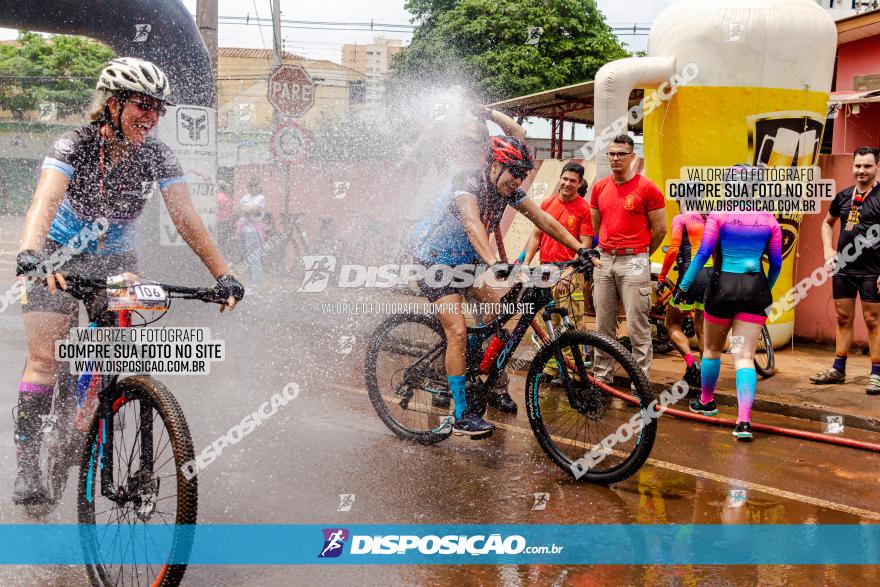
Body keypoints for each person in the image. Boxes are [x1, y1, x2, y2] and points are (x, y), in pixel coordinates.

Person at [13, 57, 244, 505]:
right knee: (44, 358)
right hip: (56, 258)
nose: (152, 117)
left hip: (114, 262)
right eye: (143, 105)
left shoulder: (157, 154)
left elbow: (185, 216)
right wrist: (32, 254)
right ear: (113, 104)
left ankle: (91, 410)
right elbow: (44, 200)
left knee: (114, 352)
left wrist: (224, 274)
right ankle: (27, 464)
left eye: (159, 108)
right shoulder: (74, 144)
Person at [409, 136, 598, 437]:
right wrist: (494, 264)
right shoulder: (467, 183)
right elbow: (472, 225)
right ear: (495, 165)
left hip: (467, 261)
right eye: (514, 173)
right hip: (434, 261)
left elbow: (545, 221)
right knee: (457, 330)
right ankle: (460, 415)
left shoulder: (507, 190)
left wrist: (580, 249)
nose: (518, 180)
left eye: (523, 175)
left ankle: (466, 371)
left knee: (497, 320)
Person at [676, 210, 782, 441]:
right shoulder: (769, 220)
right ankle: (743, 422)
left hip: (722, 288)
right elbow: (776, 264)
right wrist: (766, 288)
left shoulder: (719, 216)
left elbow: (703, 253)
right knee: (744, 356)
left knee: (712, 351)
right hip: (756, 289)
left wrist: (683, 287)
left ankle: (706, 401)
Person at [590, 135, 667, 381]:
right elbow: (596, 225)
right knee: (603, 326)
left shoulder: (647, 188)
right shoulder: (599, 187)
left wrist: (642, 254)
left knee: (637, 328)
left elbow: (661, 229)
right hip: (604, 260)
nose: (615, 158)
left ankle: (640, 385)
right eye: (611, 153)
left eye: (621, 154)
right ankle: (603, 379)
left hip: (634, 260)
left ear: (632, 156)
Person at [810, 147, 880, 395]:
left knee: (873, 320)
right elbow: (827, 224)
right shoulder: (843, 196)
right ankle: (838, 369)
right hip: (844, 268)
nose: (861, 170)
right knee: (843, 318)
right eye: (858, 165)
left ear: (877, 167)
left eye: (867, 166)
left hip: (873, 270)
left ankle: (877, 374)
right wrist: (828, 250)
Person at [524, 162, 593, 380]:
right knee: (550, 321)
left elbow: (585, 245)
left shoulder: (584, 210)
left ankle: (574, 372)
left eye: (573, 180)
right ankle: (553, 367)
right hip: (546, 269)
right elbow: (536, 236)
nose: (567, 183)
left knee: (571, 322)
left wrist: (570, 272)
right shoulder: (546, 204)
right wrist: (526, 264)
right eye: (564, 178)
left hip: (569, 273)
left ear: (579, 183)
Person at [656, 212, 712, 390]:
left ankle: (691, 363)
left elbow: (673, 250)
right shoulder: (712, 217)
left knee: (672, 323)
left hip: (690, 277)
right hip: (711, 277)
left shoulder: (681, 218)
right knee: (703, 328)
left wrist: (662, 277)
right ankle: (705, 377)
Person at [236, 177, 266, 293]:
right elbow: (239, 210)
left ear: (259, 187)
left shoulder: (261, 198)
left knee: (254, 258)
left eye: (255, 185)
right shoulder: (245, 197)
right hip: (243, 230)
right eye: (251, 185)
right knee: (249, 258)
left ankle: (255, 286)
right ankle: (252, 284)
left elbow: (252, 210)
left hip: (253, 231)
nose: (253, 188)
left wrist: (246, 210)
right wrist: (247, 210)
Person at [216, 180, 235, 255]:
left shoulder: (218, 196)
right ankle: (224, 257)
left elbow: (217, 207)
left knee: (219, 241)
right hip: (227, 220)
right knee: (225, 241)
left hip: (220, 221)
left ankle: (220, 256)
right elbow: (231, 209)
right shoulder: (228, 197)